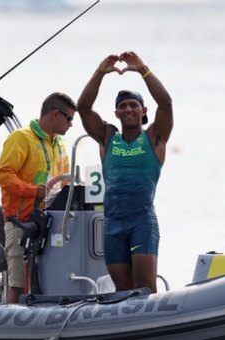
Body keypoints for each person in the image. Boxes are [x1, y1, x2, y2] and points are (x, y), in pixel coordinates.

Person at [77, 51, 173, 293]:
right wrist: (100, 72)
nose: (128, 109)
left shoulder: (153, 137)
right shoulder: (107, 137)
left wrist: (142, 69)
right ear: (116, 114)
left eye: (133, 105)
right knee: (123, 289)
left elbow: (166, 103)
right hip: (112, 224)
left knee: (144, 288)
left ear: (143, 111)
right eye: (122, 106)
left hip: (141, 221)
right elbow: (83, 107)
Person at [0, 92, 76, 303]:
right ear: (55, 114)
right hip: (20, 222)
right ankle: (10, 325)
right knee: (18, 283)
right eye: (69, 119)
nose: (71, 124)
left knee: (48, 278)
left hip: (51, 224)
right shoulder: (21, 138)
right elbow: (3, 175)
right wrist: (32, 190)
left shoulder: (59, 144)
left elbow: (64, 182)